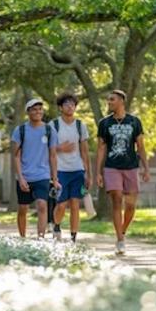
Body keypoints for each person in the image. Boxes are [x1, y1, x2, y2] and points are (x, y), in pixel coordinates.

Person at [96, 89, 150, 255]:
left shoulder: (134, 122)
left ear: (121, 101)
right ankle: (120, 240)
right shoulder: (104, 123)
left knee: (131, 205)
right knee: (117, 199)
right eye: (108, 100)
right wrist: (98, 172)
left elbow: (140, 146)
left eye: (112, 100)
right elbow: (101, 148)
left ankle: (123, 231)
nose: (109, 102)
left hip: (131, 167)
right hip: (112, 167)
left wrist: (146, 168)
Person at [11, 98, 61, 239]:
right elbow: (16, 156)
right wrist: (20, 178)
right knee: (22, 209)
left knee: (42, 205)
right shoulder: (20, 131)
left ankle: (40, 238)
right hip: (25, 176)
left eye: (40, 109)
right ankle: (22, 238)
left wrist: (55, 179)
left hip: (42, 176)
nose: (38, 112)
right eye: (34, 109)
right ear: (28, 112)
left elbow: (53, 156)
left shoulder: (49, 130)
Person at [51, 92, 91, 243]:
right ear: (61, 107)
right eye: (66, 104)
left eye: (72, 104)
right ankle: (56, 226)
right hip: (60, 170)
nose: (70, 107)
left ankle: (73, 237)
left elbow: (85, 151)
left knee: (75, 203)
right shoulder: (53, 125)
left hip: (77, 169)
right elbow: (46, 149)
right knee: (61, 205)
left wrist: (89, 174)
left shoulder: (80, 125)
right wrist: (60, 148)